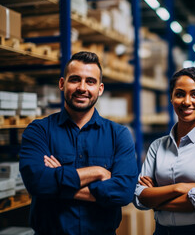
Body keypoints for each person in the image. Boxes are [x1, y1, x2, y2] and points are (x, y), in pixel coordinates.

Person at [19, 51, 138, 235]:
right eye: (75, 79)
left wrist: (58, 180)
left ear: (100, 89)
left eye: (90, 81)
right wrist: (97, 172)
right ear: (62, 84)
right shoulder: (39, 131)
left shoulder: (119, 135)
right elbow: (37, 182)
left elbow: (124, 192)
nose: (82, 87)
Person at [134, 67, 195, 235]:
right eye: (179, 94)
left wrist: (155, 198)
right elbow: (138, 196)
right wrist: (179, 188)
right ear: (171, 98)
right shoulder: (157, 146)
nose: (187, 101)